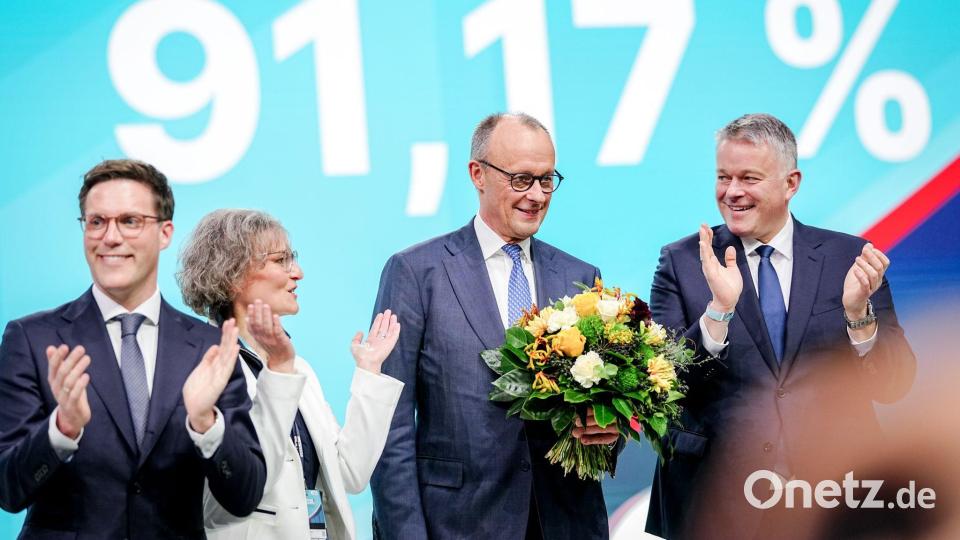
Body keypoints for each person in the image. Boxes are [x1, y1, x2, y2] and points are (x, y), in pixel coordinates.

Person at [644, 113, 917, 539]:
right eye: (723, 177)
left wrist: (858, 317)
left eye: (749, 178)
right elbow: (663, 388)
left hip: (831, 501)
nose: (732, 192)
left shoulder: (850, 258)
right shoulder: (684, 262)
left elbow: (894, 384)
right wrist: (718, 311)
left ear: (791, 183)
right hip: (716, 502)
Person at [370, 112, 619, 539]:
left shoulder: (580, 276)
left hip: (566, 521)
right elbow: (388, 425)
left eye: (547, 180)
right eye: (521, 179)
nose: (537, 195)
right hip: (457, 524)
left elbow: (602, 415)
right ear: (477, 174)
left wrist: (608, 429)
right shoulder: (416, 273)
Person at [0, 159, 266, 539]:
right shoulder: (32, 339)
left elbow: (244, 495)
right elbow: (9, 490)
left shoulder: (208, 348)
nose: (110, 237)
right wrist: (61, 430)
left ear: (164, 232)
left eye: (129, 221)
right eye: (96, 222)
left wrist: (206, 423)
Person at [177, 209, 403, 540]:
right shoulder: (207, 368)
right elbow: (244, 486)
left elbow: (350, 475)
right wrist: (279, 371)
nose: (297, 273)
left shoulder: (299, 368)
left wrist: (370, 373)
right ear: (233, 274)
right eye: (281, 260)